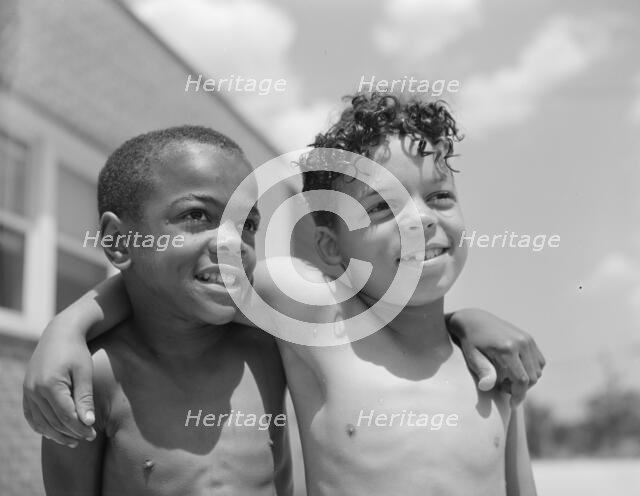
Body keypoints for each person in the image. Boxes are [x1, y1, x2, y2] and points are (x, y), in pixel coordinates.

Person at [25, 102, 544, 494]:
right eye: (382, 207)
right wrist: (66, 327)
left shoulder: (489, 372)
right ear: (330, 247)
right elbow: (171, 280)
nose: (421, 218)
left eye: (441, 196)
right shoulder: (314, 317)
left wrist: (466, 320)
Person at [39, 127, 293, 495]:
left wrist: (67, 324)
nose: (233, 244)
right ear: (118, 242)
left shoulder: (273, 347)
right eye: (196, 215)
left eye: (248, 224)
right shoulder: (93, 380)